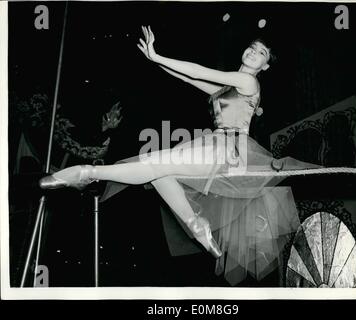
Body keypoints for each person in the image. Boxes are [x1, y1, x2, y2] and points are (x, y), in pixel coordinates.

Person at [40, 26, 320, 285]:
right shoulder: (229, 87)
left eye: (261, 53)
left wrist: (158, 54)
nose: (253, 52)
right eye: (252, 47)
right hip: (216, 146)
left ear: (265, 65)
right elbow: (189, 77)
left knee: (156, 164)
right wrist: (156, 61)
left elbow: (198, 70)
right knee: (162, 174)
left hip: (228, 150)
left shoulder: (247, 81)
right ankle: (197, 225)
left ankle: (85, 172)